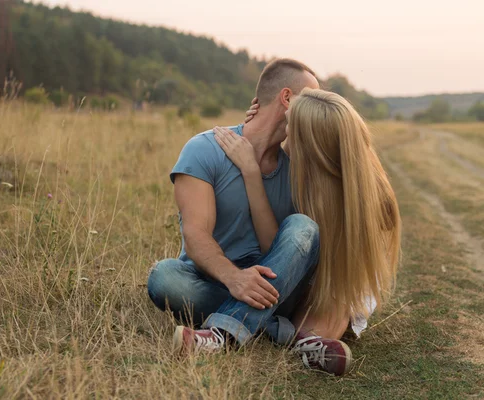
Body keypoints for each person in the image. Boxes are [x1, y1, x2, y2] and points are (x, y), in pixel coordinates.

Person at [147, 59, 400, 376]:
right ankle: (282, 331)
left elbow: (281, 243)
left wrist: (252, 172)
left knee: (302, 226)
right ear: (287, 99)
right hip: (223, 282)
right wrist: (235, 278)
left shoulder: (301, 166)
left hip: (284, 285)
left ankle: (222, 335)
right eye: (311, 95)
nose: (315, 103)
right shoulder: (205, 149)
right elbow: (196, 237)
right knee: (165, 278)